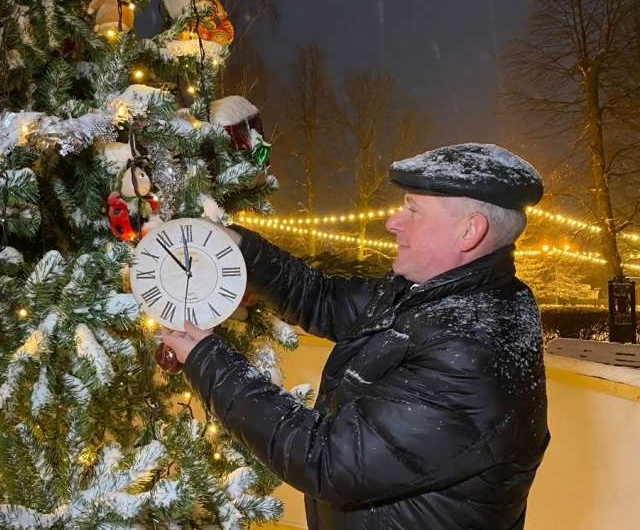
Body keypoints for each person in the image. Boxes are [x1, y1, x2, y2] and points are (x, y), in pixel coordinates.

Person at [162, 143, 550, 529]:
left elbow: (327, 460)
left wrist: (206, 358)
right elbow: (324, 299)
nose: (393, 222)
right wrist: (241, 249)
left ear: (469, 230)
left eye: (412, 210)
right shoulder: (429, 294)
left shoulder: (474, 348)